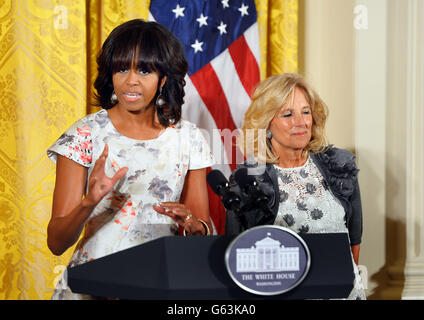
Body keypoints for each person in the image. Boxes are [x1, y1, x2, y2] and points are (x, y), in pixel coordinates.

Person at [46, 19, 215, 300]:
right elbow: (56, 242)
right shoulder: (84, 135)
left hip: (162, 285)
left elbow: (201, 230)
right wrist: (89, 202)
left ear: (163, 79)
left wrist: (192, 222)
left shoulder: (189, 138)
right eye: (122, 68)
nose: (131, 80)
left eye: (144, 70)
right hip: (95, 285)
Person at [226, 73, 366, 300]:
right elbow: (238, 258)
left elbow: (354, 243)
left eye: (306, 112)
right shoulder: (248, 180)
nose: (300, 122)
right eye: (288, 114)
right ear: (266, 124)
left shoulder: (340, 165)